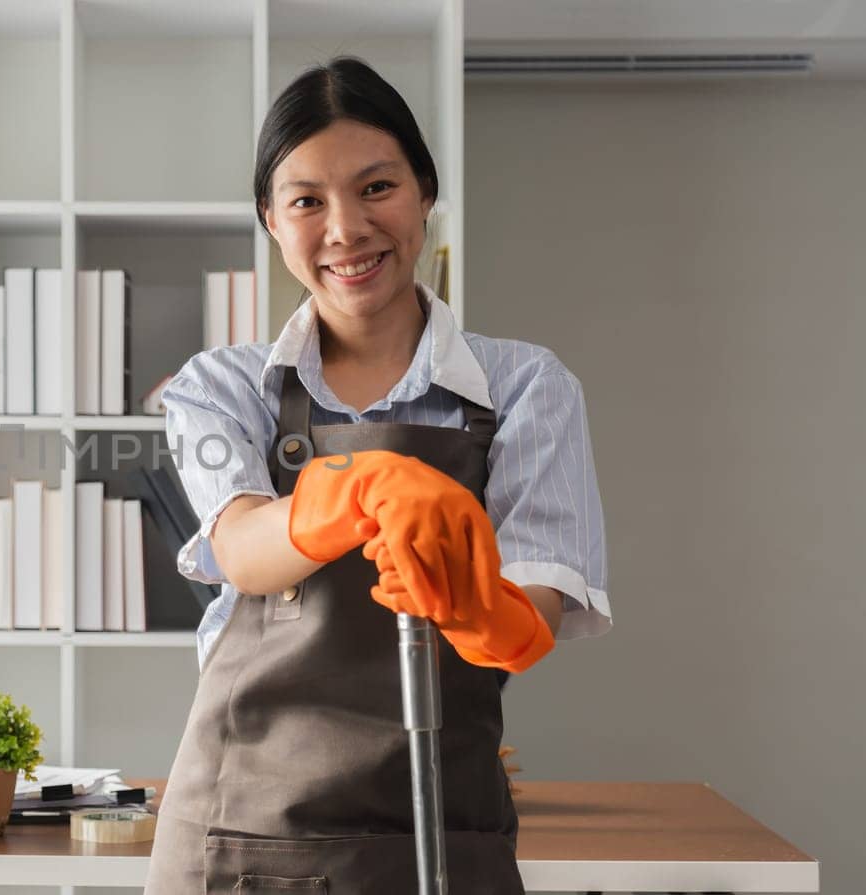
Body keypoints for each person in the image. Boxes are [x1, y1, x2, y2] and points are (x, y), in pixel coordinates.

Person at [145, 56, 612, 893]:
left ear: (425, 192)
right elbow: (245, 547)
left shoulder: (527, 388)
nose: (346, 229)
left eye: (376, 188)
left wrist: (473, 600)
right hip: (238, 833)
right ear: (270, 220)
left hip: (439, 832)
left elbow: (531, 614)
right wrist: (358, 489)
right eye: (307, 202)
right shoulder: (220, 386)